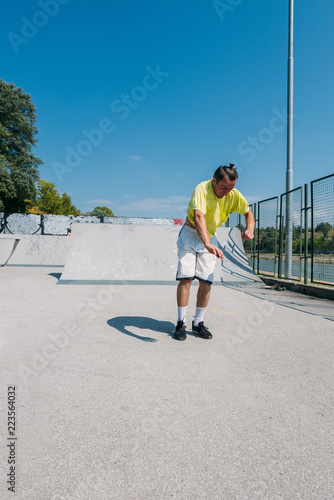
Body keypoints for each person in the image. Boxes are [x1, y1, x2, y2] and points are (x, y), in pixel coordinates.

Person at [174, 163, 255, 341]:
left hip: (210, 237)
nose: (226, 192)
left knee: (206, 282)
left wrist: (250, 229)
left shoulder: (233, 194)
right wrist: (208, 244)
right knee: (186, 278)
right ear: (214, 181)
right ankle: (181, 323)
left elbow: (248, 212)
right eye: (223, 187)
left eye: (231, 188)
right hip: (190, 235)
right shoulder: (202, 189)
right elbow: (198, 217)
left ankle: (198, 323)